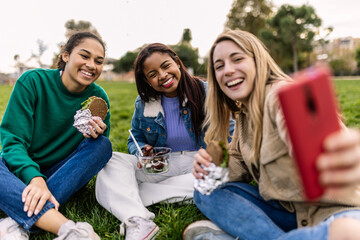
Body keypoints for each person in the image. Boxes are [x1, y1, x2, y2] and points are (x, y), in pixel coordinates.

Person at [183, 29, 360, 240]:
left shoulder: (280, 96)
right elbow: (238, 163)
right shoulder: (244, 114)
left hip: (338, 214)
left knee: (348, 233)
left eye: (237, 59)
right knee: (204, 190)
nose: (228, 70)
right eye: (219, 66)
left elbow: (319, 142)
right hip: (289, 214)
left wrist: (335, 151)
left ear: (258, 61)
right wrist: (214, 164)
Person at [95, 43, 234, 240]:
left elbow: (231, 133)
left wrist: (217, 158)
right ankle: (139, 220)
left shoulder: (207, 91)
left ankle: (131, 195)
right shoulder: (144, 103)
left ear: (177, 63)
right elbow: (135, 137)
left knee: (216, 179)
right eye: (152, 74)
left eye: (166, 66)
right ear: (147, 80)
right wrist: (141, 149)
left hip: (198, 165)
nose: (162, 75)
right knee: (111, 161)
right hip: (161, 165)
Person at [0, 31, 112, 240]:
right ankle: (69, 229)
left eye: (99, 61)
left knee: (103, 145)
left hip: (60, 172)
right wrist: (35, 179)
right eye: (85, 56)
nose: (91, 65)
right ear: (66, 55)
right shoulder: (33, 81)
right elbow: (13, 141)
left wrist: (96, 135)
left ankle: (17, 218)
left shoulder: (99, 97)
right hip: (19, 168)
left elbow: (90, 156)